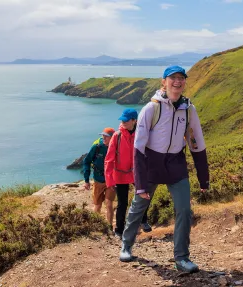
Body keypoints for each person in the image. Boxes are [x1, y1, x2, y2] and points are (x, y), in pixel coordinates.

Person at [119, 66, 209, 273]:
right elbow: (139, 148)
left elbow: (197, 143)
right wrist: (140, 184)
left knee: (184, 210)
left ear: (184, 82)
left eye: (181, 78)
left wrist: (204, 178)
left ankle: (182, 258)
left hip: (176, 164)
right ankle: (126, 244)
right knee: (139, 206)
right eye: (173, 78)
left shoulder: (189, 109)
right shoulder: (151, 108)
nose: (177, 82)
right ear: (164, 82)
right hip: (152, 163)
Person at [105, 108, 152, 239]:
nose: (123, 122)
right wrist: (109, 180)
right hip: (120, 175)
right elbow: (109, 159)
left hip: (137, 173)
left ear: (134, 120)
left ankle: (143, 221)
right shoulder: (117, 135)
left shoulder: (141, 133)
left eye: (126, 120)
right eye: (122, 120)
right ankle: (119, 229)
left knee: (144, 196)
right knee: (122, 203)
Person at [83, 127, 116, 226]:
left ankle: (109, 227)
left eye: (107, 136)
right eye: (103, 136)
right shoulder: (97, 147)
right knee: (97, 205)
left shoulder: (116, 147)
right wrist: (86, 180)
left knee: (109, 203)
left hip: (111, 180)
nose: (104, 138)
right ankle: (96, 226)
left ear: (112, 138)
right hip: (98, 180)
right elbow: (86, 161)